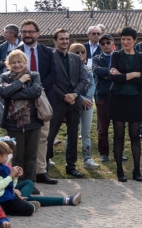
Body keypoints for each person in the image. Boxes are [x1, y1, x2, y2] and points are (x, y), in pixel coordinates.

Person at [43, 29, 90, 179]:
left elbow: (84, 80)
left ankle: (71, 166)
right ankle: (44, 164)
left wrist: (75, 94)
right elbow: (48, 81)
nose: (64, 41)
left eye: (66, 39)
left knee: (73, 135)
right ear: (55, 41)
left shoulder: (75, 58)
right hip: (57, 102)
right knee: (50, 135)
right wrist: (64, 96)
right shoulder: (49, 57)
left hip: (74, 102)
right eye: (61, 39)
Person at [17, 20, 58, 185]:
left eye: (30, 31)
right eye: (24, 32)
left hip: (43, 98)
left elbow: (53, 74)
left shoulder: (47, 52)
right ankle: (22, 173)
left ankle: (41, 171)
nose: (27, 34)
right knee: (22, 138)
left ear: (38, 33)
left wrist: (38, 88)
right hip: (21, 100)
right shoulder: (15, 52)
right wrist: (28, 90)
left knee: (42, 137)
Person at [109, 28, 142, 182]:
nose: (125, 42)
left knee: (134, 135)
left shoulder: (141, 57)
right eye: (123, 39)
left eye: (128, 39)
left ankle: (137, 170)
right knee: (119, 135)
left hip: (135, 99)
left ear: (134, 41)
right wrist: (133, 74)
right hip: (118, 98)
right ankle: (119, 170)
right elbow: (113, 78)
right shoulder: (115, 55)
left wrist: (123, 76)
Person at [0, 51, 44, 182]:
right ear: (9, 64)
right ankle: (18, 183)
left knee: (31, 154)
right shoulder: (4, 77)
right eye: (13, 62)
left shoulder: (34, 75)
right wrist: (20, 82)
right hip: (13, 123)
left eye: (20, 62)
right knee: (17, 155)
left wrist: (13, 91)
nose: (17, 65)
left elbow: (35, 92)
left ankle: (30, 182)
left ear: (25, 62)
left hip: (33, 121)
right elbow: (3, 92)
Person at [69, 43, 99, 169]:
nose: (80, 55)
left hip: (88, 104)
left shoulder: (88, 68)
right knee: (72, 133)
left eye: (82, 52)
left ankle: (87, 159)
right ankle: (70, 161)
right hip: (73, 103)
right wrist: (80, 99)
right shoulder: (69, 69)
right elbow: (69, 86)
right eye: (77, 52)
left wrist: (88, 98)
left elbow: (92, 83)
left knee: (85, 133)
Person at [90, 36, 115, 163]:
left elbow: (123, 72)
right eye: (103, 43)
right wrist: (112, 73)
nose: (106, 45)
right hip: (102, 96)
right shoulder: (96, 58)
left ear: (112, 43)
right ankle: (104, 153)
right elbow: (96, 71)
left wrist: (107, 75)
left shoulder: (119, 57)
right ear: (100, 45)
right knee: (102, 127)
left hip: (118, 96)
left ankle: (118, 152)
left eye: (108, 42)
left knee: (118, 127)